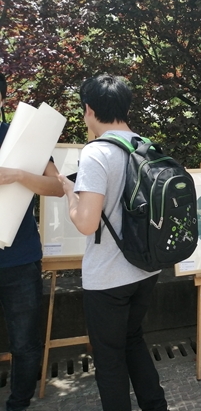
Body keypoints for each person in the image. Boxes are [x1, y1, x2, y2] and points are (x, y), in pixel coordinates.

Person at [59, 74, 168, 411]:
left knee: (109, 358)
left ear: (89, 109)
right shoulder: (145, 146)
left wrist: (70, 194)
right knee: (133, 340)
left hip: (108, 277)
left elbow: (86, 222)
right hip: (146, 267)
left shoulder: (97, 153)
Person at [0, 73, 64, 410]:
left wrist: (17, 175)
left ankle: (19, 402)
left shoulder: (21, 136)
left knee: (24, 341)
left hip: (19, 258)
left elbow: (58, 187)